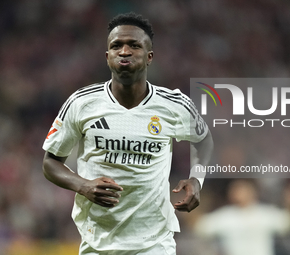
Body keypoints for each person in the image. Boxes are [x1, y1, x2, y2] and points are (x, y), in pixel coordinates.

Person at [42, 12, 213, 255]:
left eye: (134, 45)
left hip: (155, 243)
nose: (124, 51)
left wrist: (197, 178)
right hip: (96, 242)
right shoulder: (82, 103)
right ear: (107, 56)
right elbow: (50, 162)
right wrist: (83, 185)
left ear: (149, 56)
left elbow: (204, 141)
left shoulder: (175, 105)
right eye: (116, 46)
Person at [194, 180, 290, 255]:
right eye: (236, 189)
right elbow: (200, 227)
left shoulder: (265, 213)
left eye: (242, 189)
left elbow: (287, 223)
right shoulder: (225, 216)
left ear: (253, 191)